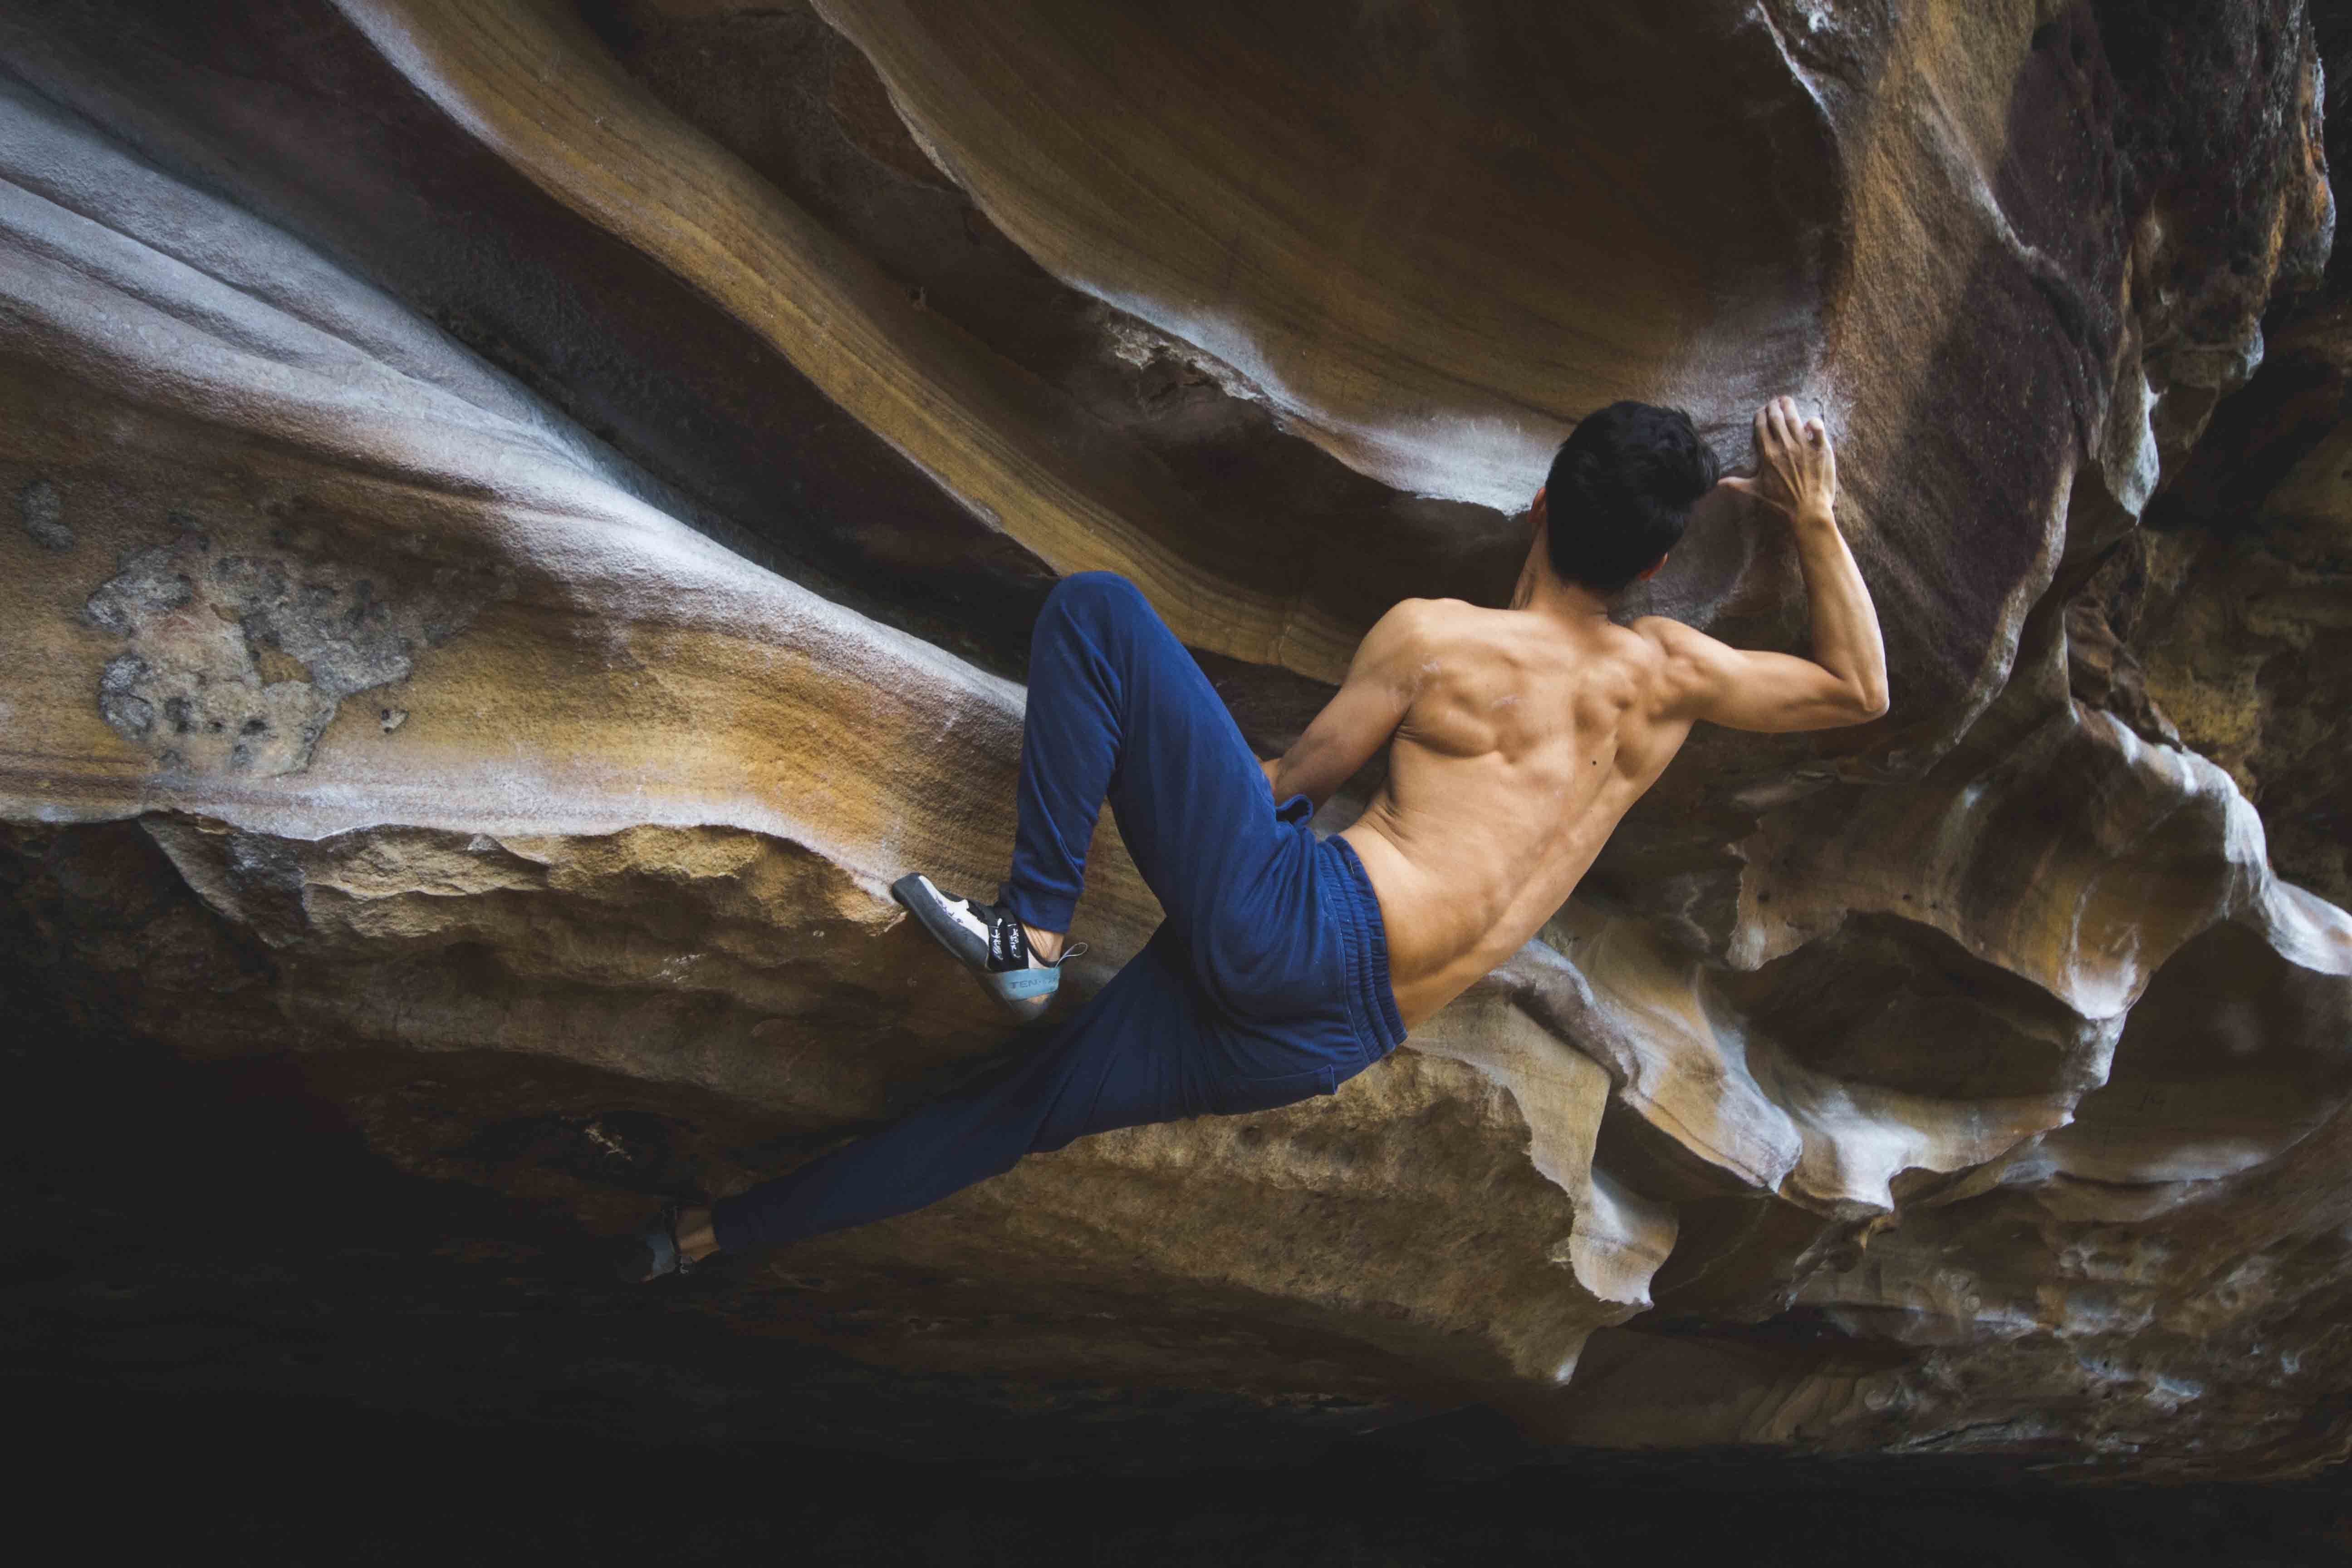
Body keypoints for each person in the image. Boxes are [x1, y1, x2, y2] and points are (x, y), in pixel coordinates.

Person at [617, 396, 1886, 1280]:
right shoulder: (1668, 678)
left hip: (1301, 927)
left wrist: (1181, 789)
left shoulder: (1436, 640)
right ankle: (708, 1238)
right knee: (1014, 1116)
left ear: (1542, 500)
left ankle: (1035, 928)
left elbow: (1300, 773)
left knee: (1102, 613)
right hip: (1337, 1036)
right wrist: (1813, 518)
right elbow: (1857, 691)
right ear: (1662, 562)